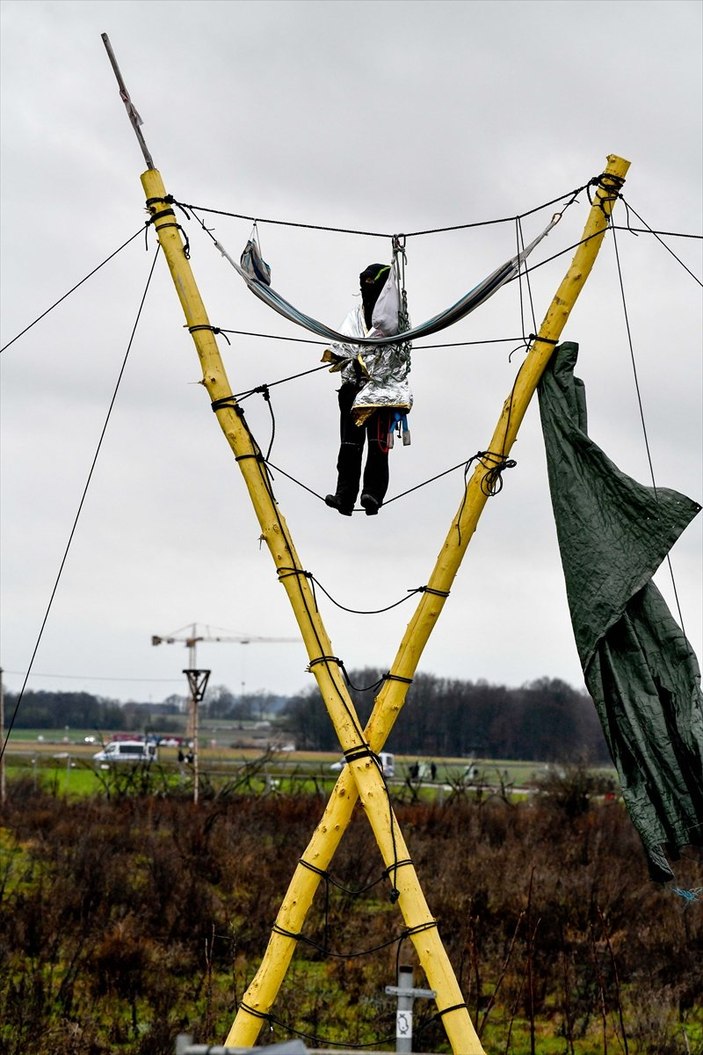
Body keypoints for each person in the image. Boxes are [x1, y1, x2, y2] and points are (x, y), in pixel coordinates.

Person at [322, 263, 412, 516]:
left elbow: (399, 354)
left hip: (381, 392)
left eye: (372, 283)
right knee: (349, 445)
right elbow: (343, 343)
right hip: (352, 389)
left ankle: (372, 494)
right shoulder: (356, 315)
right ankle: (345, 496)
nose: (366, 288)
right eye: (364, 283)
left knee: (378, 444)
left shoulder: (397, 320)